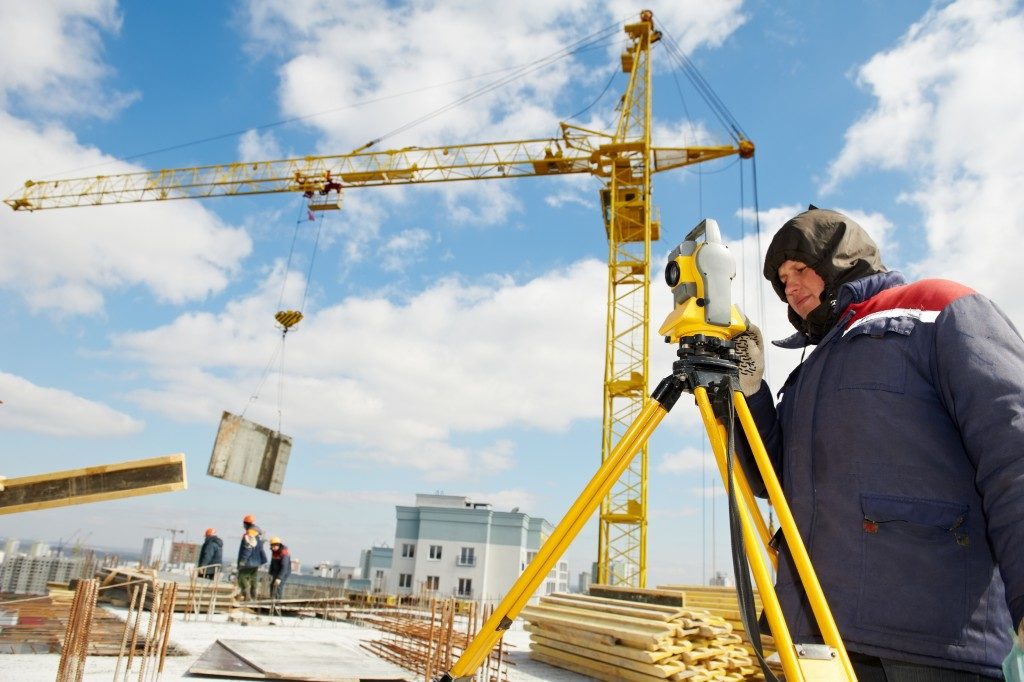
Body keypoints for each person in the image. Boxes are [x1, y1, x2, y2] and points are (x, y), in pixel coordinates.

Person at [734, 206, 1024, 680]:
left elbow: (1013, 450)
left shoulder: (936, 309)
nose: (789, 286)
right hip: (821, 635)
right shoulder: (813, 369)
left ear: (841, 262)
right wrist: (749, 392)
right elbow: (774, 481)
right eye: (781, 278)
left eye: (800, 269)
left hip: (928, 642)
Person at [236, 514, 267, 601]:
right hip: (256, 561)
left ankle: (248, 597)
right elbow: (260, 548)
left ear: (246, 524)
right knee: (253, 578)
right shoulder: (258, 534)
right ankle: (254, 597)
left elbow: (248, 549)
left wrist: (243, 561)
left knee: (241, 578)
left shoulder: (250, 533)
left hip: (249, 561)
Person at [267, 536, 291, 601]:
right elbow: (272, 563)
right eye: (272, 546)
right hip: (276, 571)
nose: (273, 547)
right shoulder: (274, 551)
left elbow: (284, 567)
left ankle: (277, 603)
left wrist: (279, 578)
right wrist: (270, 573)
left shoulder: (284, 553)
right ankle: (272, 601)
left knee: (278, 587)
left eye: (275, 546)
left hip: (283, 573)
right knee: (272, 585)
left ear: (279, 545)